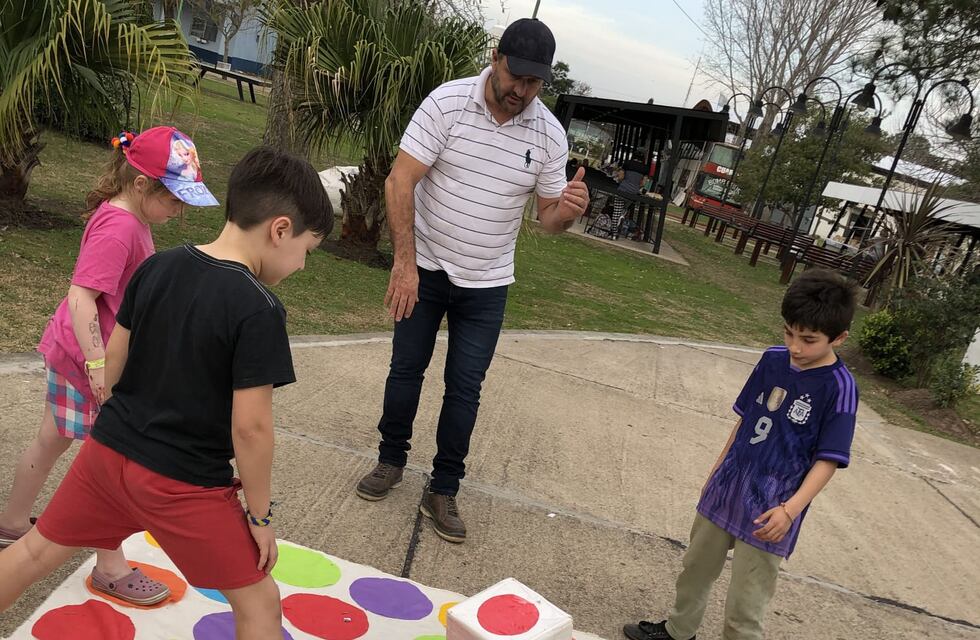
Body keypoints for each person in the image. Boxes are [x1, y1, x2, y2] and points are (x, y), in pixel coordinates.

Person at [0, 147, 332, 640]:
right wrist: (260, 517)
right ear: (280, 229)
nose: (302, 266)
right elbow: (252, 428)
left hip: (107, 455)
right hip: (185, 483)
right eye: (307, 250)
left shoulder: (157, 267)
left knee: (31, 554)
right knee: (260, 602)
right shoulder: (259, 309)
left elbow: (114, 364)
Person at [355, 17, 589, 543]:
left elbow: (547, 219)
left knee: (465, 389)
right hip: (427, 270)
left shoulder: (549, 132)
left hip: (487, 284)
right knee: (405, 370)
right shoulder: (446, 103)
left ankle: (444, 488)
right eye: (515, 77)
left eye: (534, 83)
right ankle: (390, 461)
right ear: (494, 57)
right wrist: (404, 262)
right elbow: (400, 179)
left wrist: (567, 212)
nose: (521, 92)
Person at [0, 126, 218, 605]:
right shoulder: (121, 226)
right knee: (106, 466)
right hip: (86, 364)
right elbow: (82, 296)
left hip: (75, 356)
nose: (179, 211)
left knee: (51, 440)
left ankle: (12, 526)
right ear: (142, 185)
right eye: (174, 200)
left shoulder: (129, 218)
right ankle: (109, 566)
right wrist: (100, 366)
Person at [624, 269, 860, 640]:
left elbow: (828, 460)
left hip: (773, 506)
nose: (796, 347)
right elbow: (746, 421)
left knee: (745, 605)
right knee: (694, 570)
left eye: (809, 339)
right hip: (728, 486)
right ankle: (678, 631)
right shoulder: (771, 360)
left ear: (839, 338)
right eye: (789, 333)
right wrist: (715, 474)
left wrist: (790, 510)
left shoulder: (840, 388)